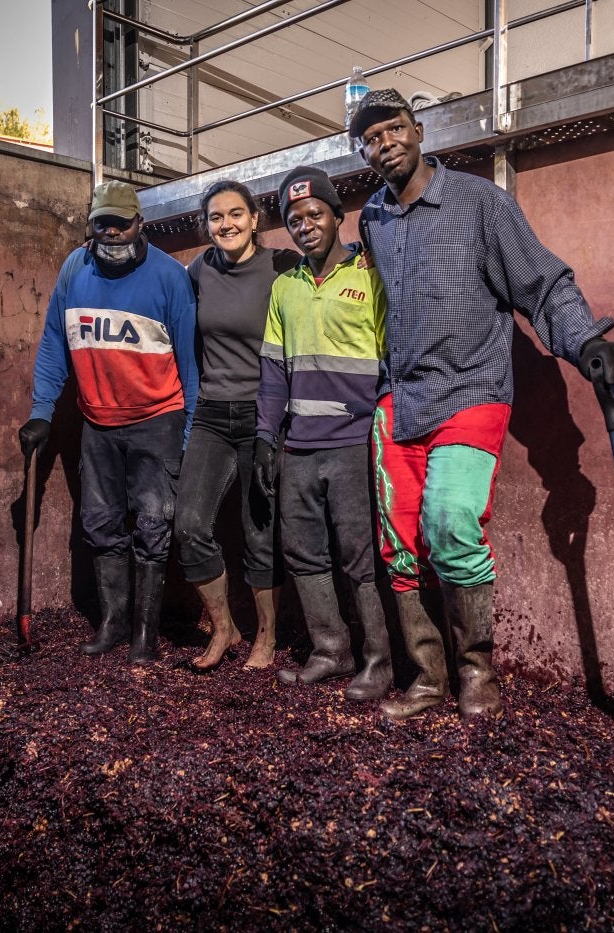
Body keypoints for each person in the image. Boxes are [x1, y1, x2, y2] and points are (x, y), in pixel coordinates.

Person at [350, 88, 614, 720]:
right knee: (398, 541)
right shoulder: (372, 220)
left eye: (393, 128)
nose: (384, 143)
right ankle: (426, 678)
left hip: (472, 389)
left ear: (419, 131)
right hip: (399, 396)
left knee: (450, 523)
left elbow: (542, 282)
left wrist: (585, 340)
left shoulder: (482, 203)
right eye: (370, 138)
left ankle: (478, 670)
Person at [19, 180, 198, 663]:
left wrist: (185, 433)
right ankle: (113, 623)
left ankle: (145, 633)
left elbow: (190, 362)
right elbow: (55, 345)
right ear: (90, 225)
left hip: (158, 419)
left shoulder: (170, 277)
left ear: (140, 223)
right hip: (97, 422)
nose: (113, 233)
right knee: (99, 524)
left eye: (122, 223)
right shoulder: (74, 269)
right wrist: (41, 414)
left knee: (153, 524)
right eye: (104, 224)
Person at [255, 166, 393, 701]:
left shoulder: (369, 278)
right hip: (298, 446)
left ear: (339, 217)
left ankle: (378, 663)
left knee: (360, 556)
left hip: (355, 443)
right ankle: (330, 652)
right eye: (294, 220)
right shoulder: (284, 288)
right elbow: (272, 372)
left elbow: (390, 363)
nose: (305, 225)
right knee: (305, 553)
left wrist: (383, 434)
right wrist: (267, 438)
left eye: (315, 214)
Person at [175, 181, 298, 672]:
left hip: (263, 416)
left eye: (235, 214)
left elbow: (332, 264)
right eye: (215, 217)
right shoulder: (200, 269)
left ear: (255, 219)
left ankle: (266, 636)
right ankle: (224, 627)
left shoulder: (282, 266)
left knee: (259, 533)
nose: (225, 224)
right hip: (211, 414)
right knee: (188, 525)